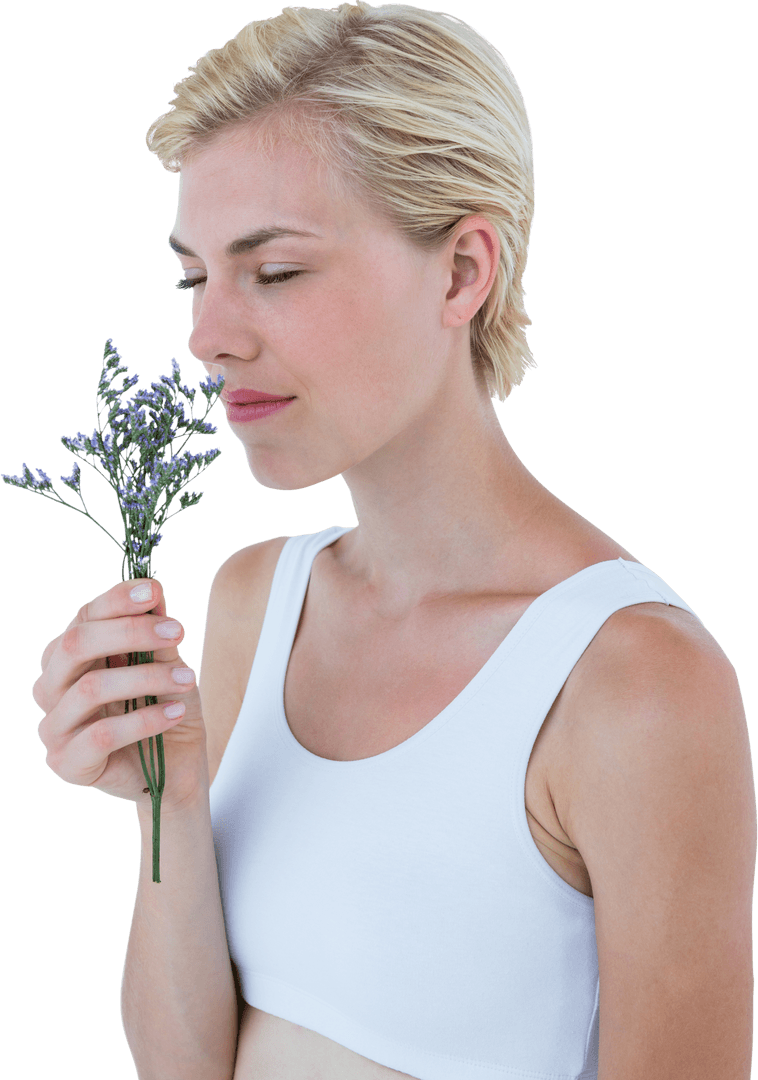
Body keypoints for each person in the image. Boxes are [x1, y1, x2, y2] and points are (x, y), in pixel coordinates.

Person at [33, 3, 756, 1079]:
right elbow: (186, 1065)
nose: (205, 336)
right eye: (195, 276)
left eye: (272, 271)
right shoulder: (253, 600)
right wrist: (166, 804)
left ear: (463, 272)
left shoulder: (630, 682)